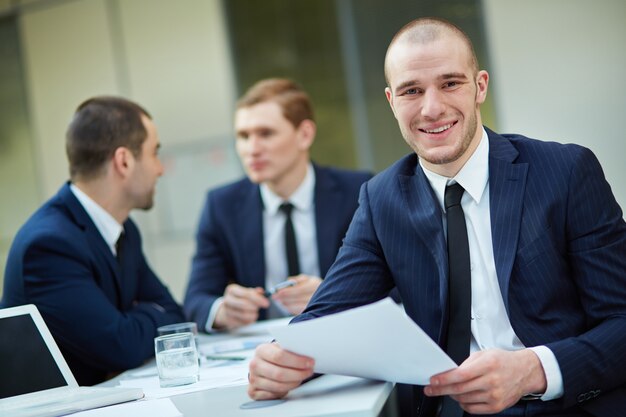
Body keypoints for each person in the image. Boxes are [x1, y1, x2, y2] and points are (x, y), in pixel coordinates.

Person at [246, 18, 626, 417]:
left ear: (480, 86)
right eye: (412, 90)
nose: (432, 108)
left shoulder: (565, 172)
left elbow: (621, 320)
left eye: (450, 83)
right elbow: (328, 314)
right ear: (392, 101)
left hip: (562, 405)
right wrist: (281, 360)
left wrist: (535, 370)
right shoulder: (382, 199)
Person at [1, 96, 185, 386]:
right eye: (154, 153)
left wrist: (133, 322)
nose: (160, 169)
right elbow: (121, 347)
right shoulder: (49, 245)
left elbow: (174, 314)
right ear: (123, 161)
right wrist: (144, 317)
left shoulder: (125, 229)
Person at [183, 78, 372, 332]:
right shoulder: (222, 206)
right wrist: (222, 310)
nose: (252, 148)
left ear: (304, 135)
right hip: (261, 347)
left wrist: (333, 295)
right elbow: (196, 299)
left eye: (266, 134)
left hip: (345, 336)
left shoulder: (359, 193)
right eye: (243, 136)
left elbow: (398, 285)